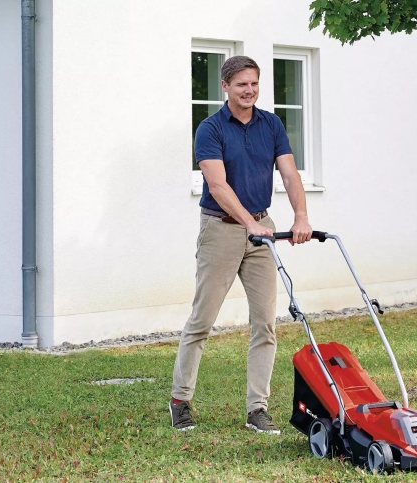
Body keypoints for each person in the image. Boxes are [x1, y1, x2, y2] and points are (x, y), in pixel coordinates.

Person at [170, 56, 312, 433]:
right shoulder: (210, 129)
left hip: (262, 228)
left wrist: (300, 216)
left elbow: (289, 173)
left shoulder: (272, 124)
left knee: (265, 323)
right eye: (241, 84)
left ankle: (257, 408)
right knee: (202, 319)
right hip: (221, 229)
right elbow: (217, 186)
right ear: (226, 87)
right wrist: (250, 224)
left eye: (254, 83)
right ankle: (180, 400)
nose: (249, 90)